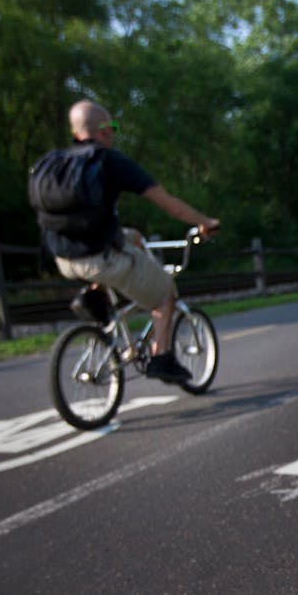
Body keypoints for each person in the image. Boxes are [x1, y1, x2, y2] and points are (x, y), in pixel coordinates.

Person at [38, 99, 220, 383]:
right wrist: (204, 222)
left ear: (75, 133)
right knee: (165, 293)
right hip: (99, 257)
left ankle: (97, 297)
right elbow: (169, 204)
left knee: (133, 236)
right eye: (112, 126)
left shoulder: (54, 163)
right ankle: (162, 357)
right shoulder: (109, 161)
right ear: (104, 130)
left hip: (63, 257)